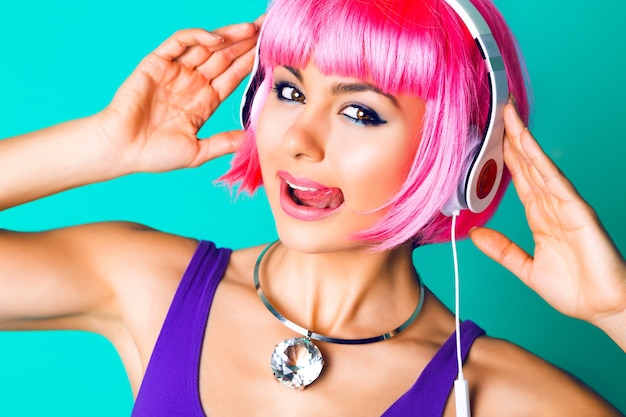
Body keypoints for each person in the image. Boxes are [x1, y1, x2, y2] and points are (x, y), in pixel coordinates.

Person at [0, 0, 623, 416]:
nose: (298, 139)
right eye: (289, 90)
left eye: (360, 112)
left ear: (458, 156)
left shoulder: (494, 393)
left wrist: (617, 309)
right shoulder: (148, 284)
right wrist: (105, 145)